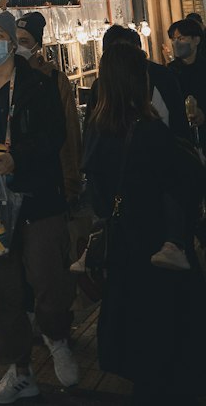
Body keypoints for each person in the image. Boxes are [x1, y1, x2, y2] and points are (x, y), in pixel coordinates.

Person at [0, 10, 77, 403]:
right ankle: (18, 369)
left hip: (39, 199)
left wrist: (17, 158)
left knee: (48, 277)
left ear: (10, 40)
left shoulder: (39, 86)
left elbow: (54, 135)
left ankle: (56, 337)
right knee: (3, 291)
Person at [82, 41, 205, 402]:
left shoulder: (98, 128)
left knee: (136, 329)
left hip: (122, 246)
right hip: (158, 247)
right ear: (139, 80)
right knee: (168, 335)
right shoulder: (149, 130)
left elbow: (97, 191)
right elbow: (188, 180)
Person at [14, 13, 82, 208]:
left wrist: (71, 181)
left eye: (24, 41)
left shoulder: (55, 80)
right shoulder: (8, 80)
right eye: (15, 40)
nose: (18, 47)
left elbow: (69, 131)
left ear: (38, 45)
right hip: (18, 178)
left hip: (52, 178)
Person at [90, 25, 190, 140]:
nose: (120, 60)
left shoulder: (162, 77)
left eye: (126, 54)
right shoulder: (99, 88)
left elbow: (179, 124)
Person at [168, 17, 206, 144]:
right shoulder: (170, 72)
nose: (176, 43)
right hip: (181, 138)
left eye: (181, 38)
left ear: (196, 40)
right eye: (173, 39)